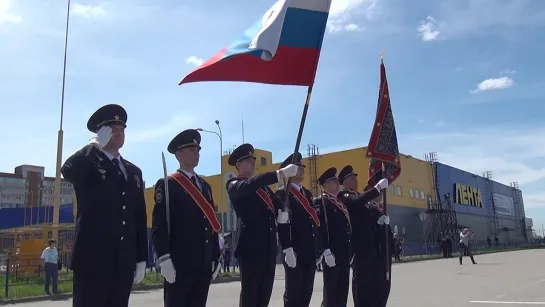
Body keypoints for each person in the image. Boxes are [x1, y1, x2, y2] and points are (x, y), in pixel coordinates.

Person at [61, 104, 148, 307]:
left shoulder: (133, 171)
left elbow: (139, 215)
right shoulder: (90, 162)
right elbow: (69, 171)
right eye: (112, 129)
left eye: (121, 129)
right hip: (93, 260)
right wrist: (94, 145)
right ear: (100, 132)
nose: (118, 133)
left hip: (123, 262)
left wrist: (141, 257)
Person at [152, 129, 222, 307]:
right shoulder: (169, 184)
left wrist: (215, 256)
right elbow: (160, 224)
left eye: (198, 150)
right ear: (179, 154)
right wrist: (164, 257)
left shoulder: (205, 186)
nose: (196, 153)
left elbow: (210, 224)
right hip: (180, 263)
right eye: (191, 150)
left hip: (203, 263)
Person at [226, 143, 298, 307]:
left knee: (263, 297)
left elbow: (278, 204)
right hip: (251, 249)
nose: (252, 162)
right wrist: (278, 174)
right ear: (238, 164)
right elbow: (249, 186)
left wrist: (283, 212)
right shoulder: (234, 184)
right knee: (250, 297)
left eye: (253, 159)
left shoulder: (264, 188)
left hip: (269, 249)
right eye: (247, 160)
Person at [335, 165, 390, 307]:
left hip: (373, 249)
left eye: (355, 178)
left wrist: (380, 221)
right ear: (344, 182)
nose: (355, 181)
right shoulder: (344, 196)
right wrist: (376, 188)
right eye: (352, 178)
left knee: (376, 289)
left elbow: (369, 214)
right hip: (360, 249)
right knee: (362, 290)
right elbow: (356, 203)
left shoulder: (362, 197)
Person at [275, 152, 321, 307]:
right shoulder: (283, 193)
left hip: (310, 252)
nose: (302, 168)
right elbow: (283, 223)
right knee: (293, 295)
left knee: (306, 294)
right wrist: (287, 248)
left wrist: (318, 248)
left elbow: (314, 223)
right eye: (298, 166)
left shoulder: (307, 194)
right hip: (294, 252)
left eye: (302, 166)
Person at [313, 167, 351, 307]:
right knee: (331, 291)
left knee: (342, 290)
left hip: (344, 253)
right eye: (334, 181)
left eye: (337, 181)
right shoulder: (320, 202)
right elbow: (320, 228)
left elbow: (346, 229)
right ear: (326, 185)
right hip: (332, 254)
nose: (337, 184)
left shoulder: (340, 203)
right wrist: (325, 250)